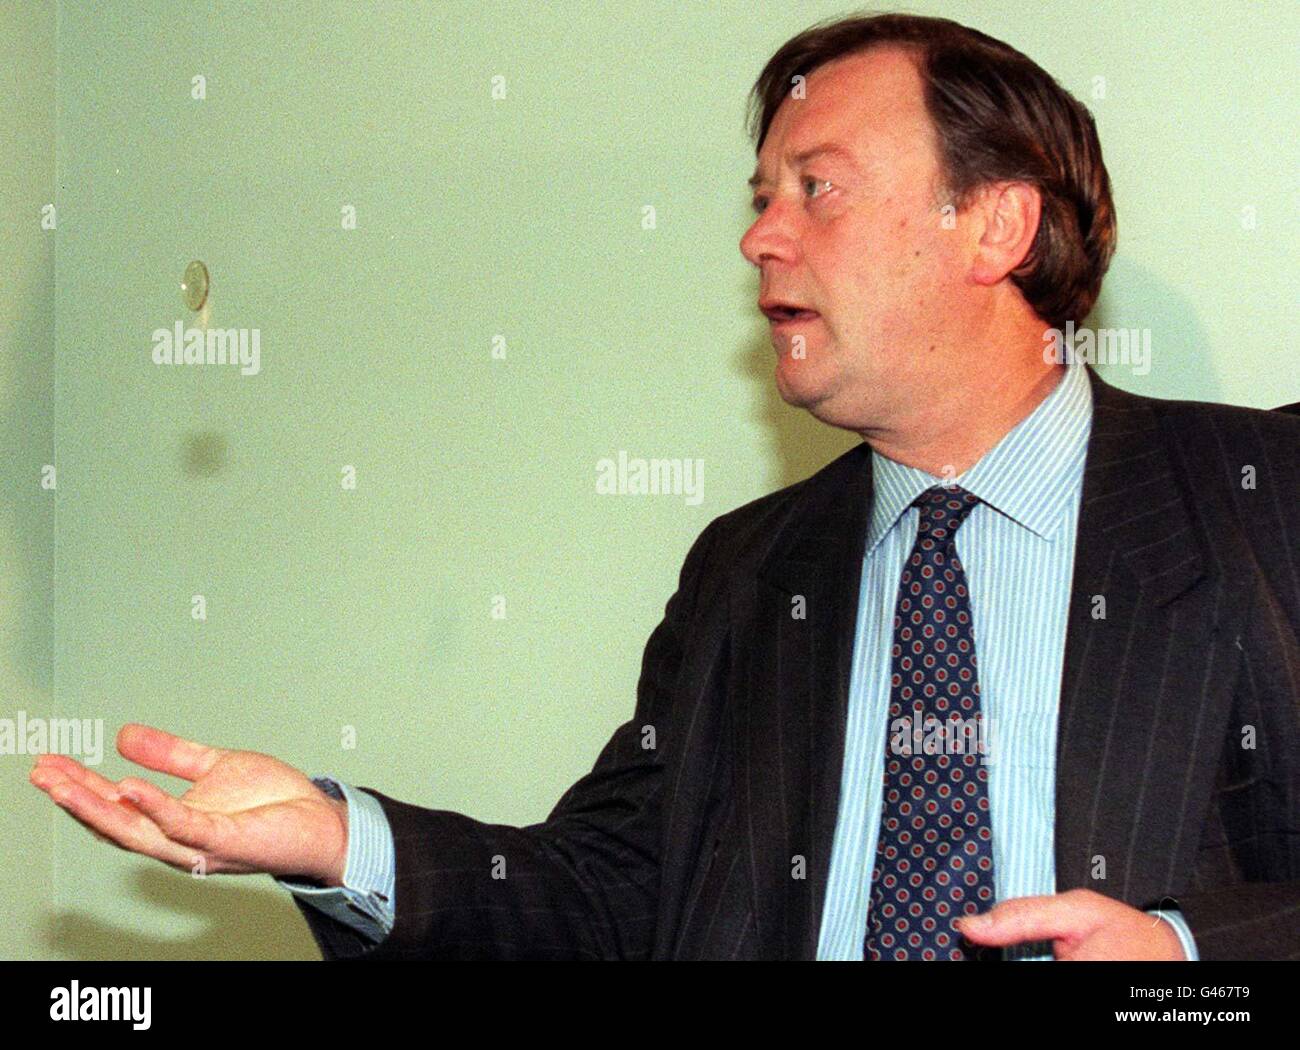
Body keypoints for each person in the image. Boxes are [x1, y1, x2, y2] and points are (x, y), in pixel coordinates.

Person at [30, 12, 1300, 961]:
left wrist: (1182, 969)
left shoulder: (1259, 498)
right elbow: (611, 890)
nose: (760, 235)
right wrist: (337, 841)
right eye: (759, 199)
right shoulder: (753, 573)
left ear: (996, 228)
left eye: (819, 189)